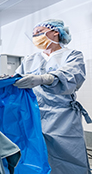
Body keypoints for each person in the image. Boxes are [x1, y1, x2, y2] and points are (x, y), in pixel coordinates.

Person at [13, 19, 91, 173]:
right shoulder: (30, 59)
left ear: (55, 32)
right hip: (34, 114)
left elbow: (72, 75)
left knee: (68, 157)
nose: (35, 37)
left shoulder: (72, 55)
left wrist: (44, 78)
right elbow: (14, 80)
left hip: (62, 117)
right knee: (37, 155)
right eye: (33, 34)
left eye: (39, 32)